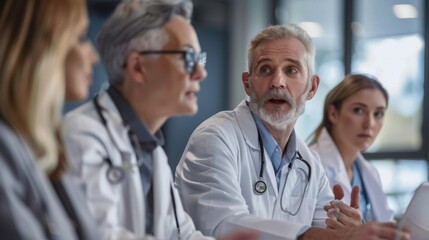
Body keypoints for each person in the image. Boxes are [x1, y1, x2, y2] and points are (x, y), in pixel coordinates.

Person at [175, 24, 410, 240]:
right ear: (247, 84)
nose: (278, 82)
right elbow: (223, 226)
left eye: (291, 70)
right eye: (265, 69)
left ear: (312, 88)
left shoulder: (310, 164)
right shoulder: (216, 138)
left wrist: (349, 229)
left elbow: (327, 231)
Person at [61, 0, 257, 239]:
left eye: (200, 59)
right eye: (187, 57)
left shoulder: (151, 151)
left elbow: (180, 234)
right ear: (138, 66)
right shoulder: (82, 137)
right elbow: (99, 235)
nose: (200, 72)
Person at [0, 0, 100, 239]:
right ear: (42, 44)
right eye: (81, 36)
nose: (94, 56)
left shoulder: (46, 147)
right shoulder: (6, 148)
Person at [309, 74, 394, 222]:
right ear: (333, 113)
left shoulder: (369, 172)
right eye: (359, 110)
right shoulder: (309, 165)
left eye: (378, 114)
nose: (370, 124)